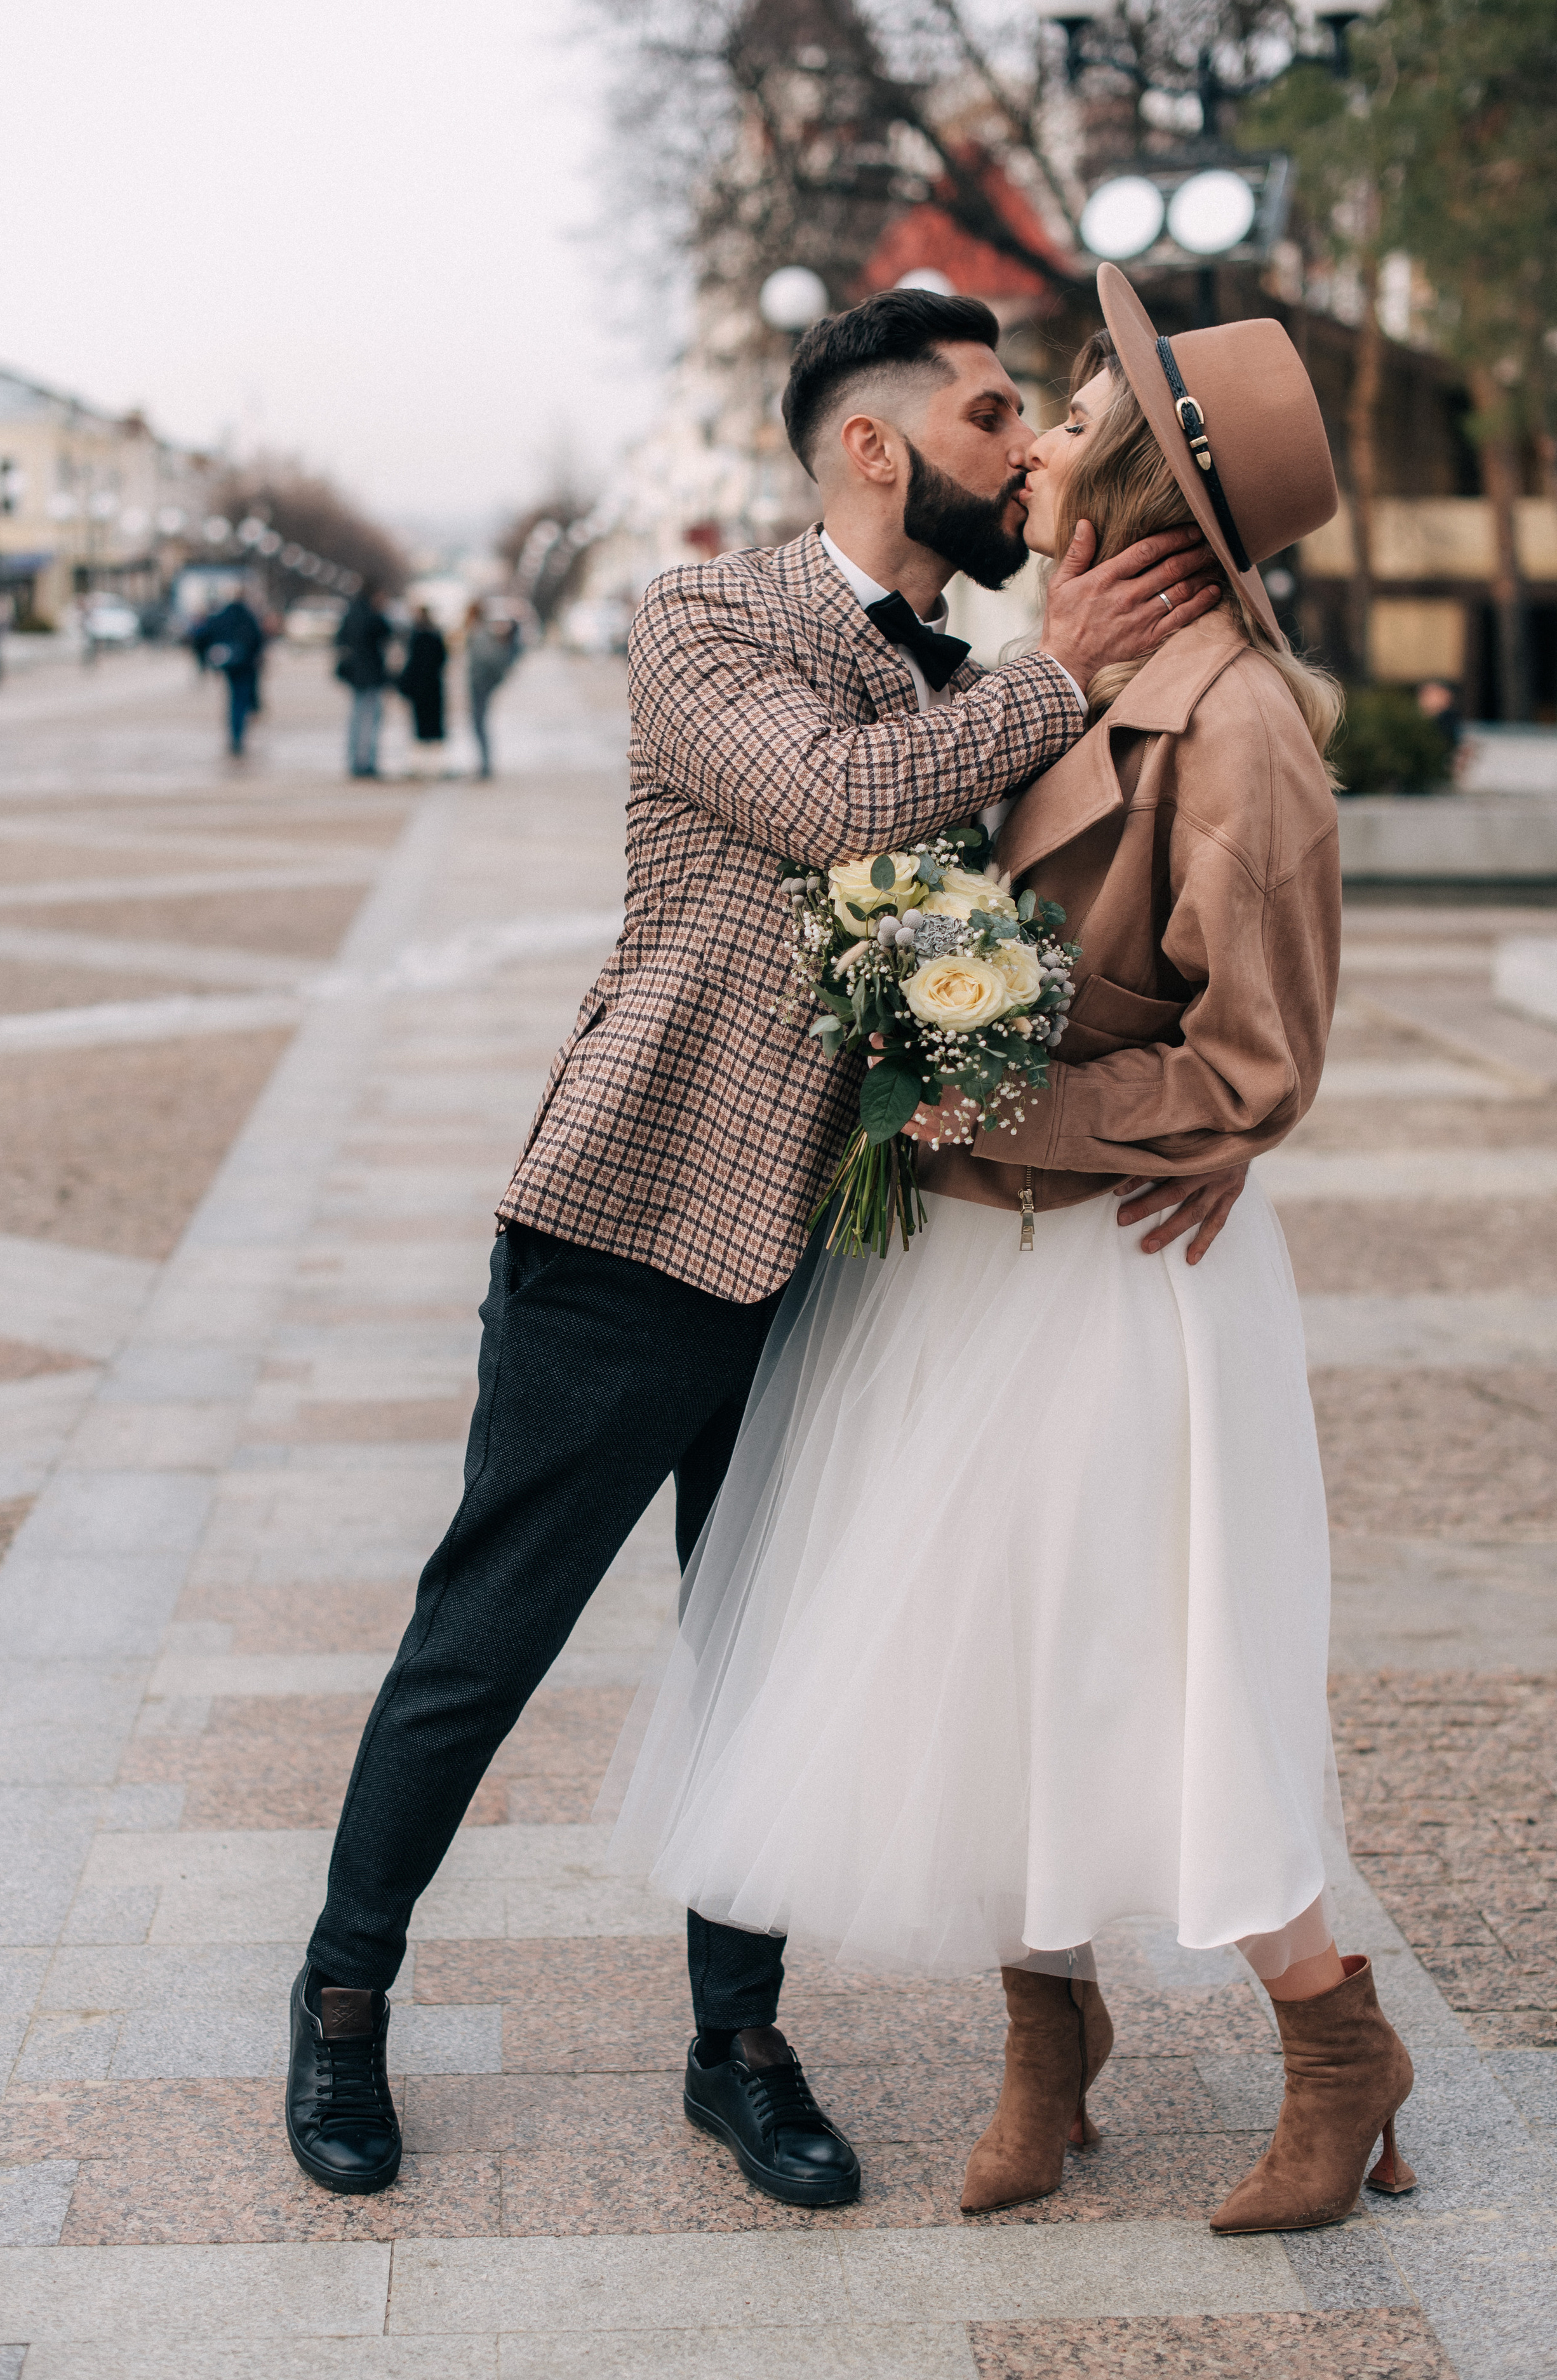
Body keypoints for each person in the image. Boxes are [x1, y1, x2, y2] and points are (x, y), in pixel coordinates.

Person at [283, 285, 1224, 2207]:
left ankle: (738, 2043)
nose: (1018, 451)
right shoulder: (706, 618)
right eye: (988, 414)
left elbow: (1057, 934)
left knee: (760, 1649)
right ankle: (341, 1997)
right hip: (633, 1224)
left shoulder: (973, 671)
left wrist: (1196, 1121)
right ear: (871, 445)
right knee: (486, 1633)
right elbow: (838, 803)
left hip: (845, 1253)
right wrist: (1059, 669)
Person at [608, 268, 1419, 2240]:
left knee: (1154, 1663)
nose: (1034, 442)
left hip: (1119, 1268)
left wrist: (995, 1107)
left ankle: (1338, 2046)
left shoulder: (1237, 725)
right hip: (981, 1265)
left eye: (1069, 418)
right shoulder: (1051, 672)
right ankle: (1047, 2042)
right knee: (995, 1660)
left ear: (1143, 483)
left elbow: (1253, 1066)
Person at [191, 587, 265, 757]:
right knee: (241, 700)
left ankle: (235, 735)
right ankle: (238, 736)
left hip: (230, 666)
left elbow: (204, 636)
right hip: (246, 667)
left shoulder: (222, 616)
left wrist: (209, 661)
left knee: (234, 700)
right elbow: (258, 640)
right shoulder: (248, 617)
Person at [335, 580, 394, 777]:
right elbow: (387, 632)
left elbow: (340, 639)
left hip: (355, 675)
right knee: (369, 719)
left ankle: (355, 760)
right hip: (370, 675)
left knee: (357, 717)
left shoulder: (352, 613)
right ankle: (365, 762)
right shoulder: (371, 615)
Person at [464, 600, 521, 778]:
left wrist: (481, 678)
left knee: (479, 723)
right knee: (478, 723)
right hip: (481, 683)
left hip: (481, 684)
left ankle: (485, 765)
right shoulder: (483, 633)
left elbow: (487, 659)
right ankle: (484, 763)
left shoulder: (480, 634)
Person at [398, 602, 449, 776]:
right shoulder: (435, 635)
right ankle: (436, 766)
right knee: (434, 729)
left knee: (420, 728)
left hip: (420, 688)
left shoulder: (416, 636)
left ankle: (420, 766)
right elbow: (443, 659)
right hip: (433, 687)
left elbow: (412, 663)